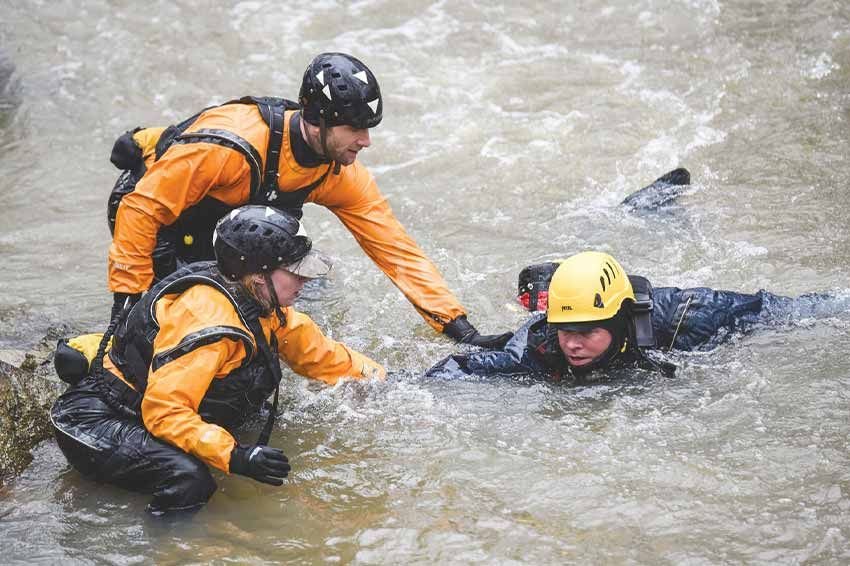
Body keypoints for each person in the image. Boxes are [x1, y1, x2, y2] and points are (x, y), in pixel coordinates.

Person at [106, 51, 510, 349]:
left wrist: (461, 330)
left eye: (368, 128)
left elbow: (396, 249)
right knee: (197, 320)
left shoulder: (337, 170)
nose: (366, 141)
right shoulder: (230, 149)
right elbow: (140, 211)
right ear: (315, 121)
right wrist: (124, 305)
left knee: (291, 299)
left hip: (232, 221)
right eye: (355, 128)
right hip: (156, 213)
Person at [51, 206, 386, 515]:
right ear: (259, 276)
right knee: (190, 479)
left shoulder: (264, 305)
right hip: (99, 420)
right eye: (295, 272)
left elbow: (322, 357)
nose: (306, 281)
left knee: (276, 422)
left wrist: (387, 380)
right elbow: (164, 412)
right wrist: (235, 456)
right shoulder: (209, 324)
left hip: (150, 408)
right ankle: (176, 551)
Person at [427, 251, 844, 381]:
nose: (571, 343)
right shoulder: (540, 343)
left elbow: (783, 311)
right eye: (564, 330)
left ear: (618, 318)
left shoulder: (684, 315)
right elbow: (464, 369)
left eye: (587, 331)